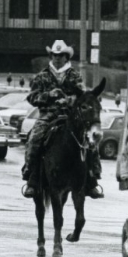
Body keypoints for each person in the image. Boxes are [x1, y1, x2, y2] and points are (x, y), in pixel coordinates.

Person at [21, 39, 103, 199]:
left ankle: (92, 178)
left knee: (89, 139)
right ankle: (31, 178)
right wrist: (47, 96)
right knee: (34, 138)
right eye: (54, 55)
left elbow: (83, 96)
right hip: (47, 116)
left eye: (61, 55)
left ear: (66, 57)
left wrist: (70, 100)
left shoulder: (75, 75)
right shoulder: (42, 76)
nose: (57, 58)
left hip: (70, 115)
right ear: (51, 56)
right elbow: (31, 97)